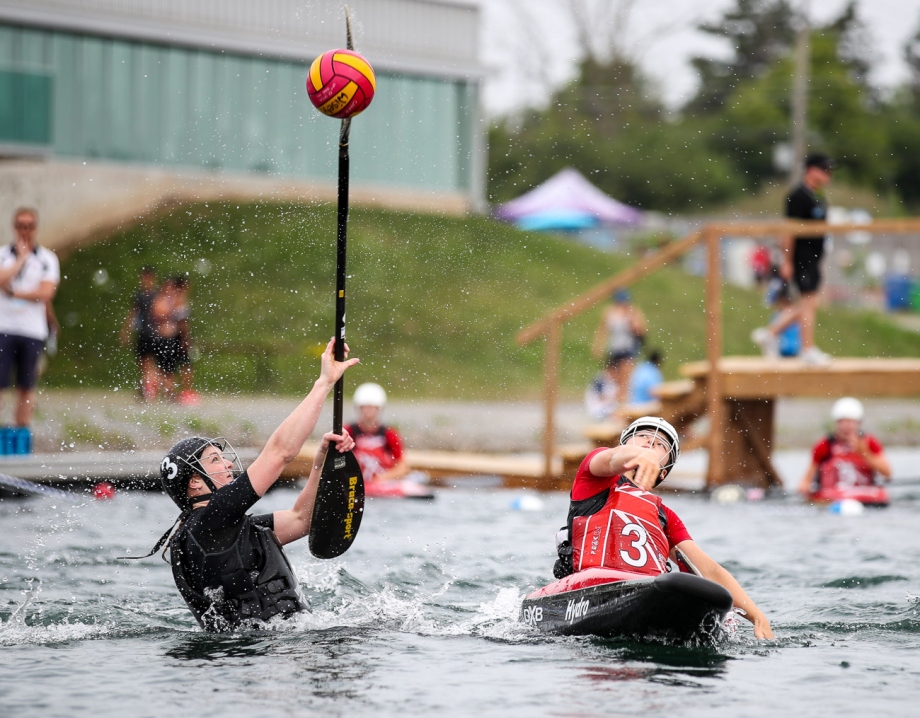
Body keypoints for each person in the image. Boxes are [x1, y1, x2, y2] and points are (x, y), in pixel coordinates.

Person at [129, 338, 358, 631]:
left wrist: (320, 461)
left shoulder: (222, 528)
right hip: (262, 654)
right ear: (195, 484)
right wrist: (324, 382)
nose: (227, 465)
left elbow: (303, 520)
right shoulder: (208, 523)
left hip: (269, 647)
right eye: (214, 460)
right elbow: (280, 453)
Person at [553, 416, 774, 639]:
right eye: (643, 437)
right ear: (624, 444)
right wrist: (642, 455)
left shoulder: (665, 516)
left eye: (660, 445)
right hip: (588, 590)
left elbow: (709, 570)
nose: (650, 444)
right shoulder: (594, 478)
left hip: (647, 591)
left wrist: (756, 615)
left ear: (664, 472)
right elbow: (610, 459)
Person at [752, 153, 833, 365]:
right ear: (811, 170)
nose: (828, 175)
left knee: (810, 303)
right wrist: (787, 260)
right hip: (802, 256)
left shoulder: (819, 197)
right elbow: (788, 230)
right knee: (807, 302)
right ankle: (807, 349)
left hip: (814, 257)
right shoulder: (798, 196)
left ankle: (770, 333)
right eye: (824, 170)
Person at [0, 207, 60, 427]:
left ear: (36, 228)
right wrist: (20, 260)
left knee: (27, 385)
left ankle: (21, 428)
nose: (25, 231)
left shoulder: (47, 258)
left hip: (32, 329)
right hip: (4, 327)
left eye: (29, 226)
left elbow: (46, 292)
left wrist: (14, 292)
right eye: (21, 226)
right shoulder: (3, 255)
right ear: (14, 227)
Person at [798, 397, 892, 498]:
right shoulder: (825, 445)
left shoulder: (868, 443)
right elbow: (805, 481)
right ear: (837, 423)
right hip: (833, 496)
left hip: (864, 495)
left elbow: (887, 473)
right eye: (844, 422)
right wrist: (806, 490)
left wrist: (864, 453)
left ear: (858, 424)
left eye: (852, 422)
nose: (848, 426)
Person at [347, 382, 411, 483]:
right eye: (365, 407)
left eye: (372, 408)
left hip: (381, 485)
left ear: (379, 409)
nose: (368, 412)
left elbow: (402, 467)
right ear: (358, 408)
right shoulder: (348, 432)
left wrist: (383, 478)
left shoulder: (390, 434)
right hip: (354, 483)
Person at [593, 290, 647, 406]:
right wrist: (598, 346)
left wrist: (632, 323)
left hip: (628, 350)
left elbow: (641, 331)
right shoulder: (610, 312)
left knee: (625, 381)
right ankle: (611, 406)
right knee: (611, 380)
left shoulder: (633, 312)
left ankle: (623, 406)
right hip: (614, 349)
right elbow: (602, 330)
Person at [120, 266, 159, 402]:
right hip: (143, 333)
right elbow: (133, 314)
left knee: (152, 362)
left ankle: (150, 390)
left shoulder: (157, 295)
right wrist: (126, 331)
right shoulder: (139, 296)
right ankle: (146, 388)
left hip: (155, 333)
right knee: (143, 363)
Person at [150, 276, 182, 400]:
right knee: (162, 366)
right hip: (162, 337)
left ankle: (170, 391)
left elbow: (182, 313)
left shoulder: (176, 300)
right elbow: (158, 313)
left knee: (171, 367)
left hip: (173, 337)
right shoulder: (160, 300)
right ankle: (160, 391)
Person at [171, 274, 199, 405]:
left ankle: (171, 392)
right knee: (186, 364)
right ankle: (185, 391)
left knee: (171, 364)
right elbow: (182, 321)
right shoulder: (181, 299)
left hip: (170, 335)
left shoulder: (171, 298)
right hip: (179, 335)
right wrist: (185, 338)